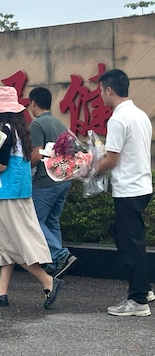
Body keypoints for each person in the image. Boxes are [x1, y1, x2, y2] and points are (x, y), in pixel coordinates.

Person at [0, 86, 63, 308]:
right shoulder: (21, 130)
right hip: (19, 190)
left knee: (12, 243)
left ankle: (48, 280)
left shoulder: (4, 132)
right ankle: (0, 291)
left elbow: (0, 165)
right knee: (4, 242)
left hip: (6, 192)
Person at [96, 69, 153, 317]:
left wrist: (90, 170)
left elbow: (112, 159)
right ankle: (145, 289)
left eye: (101, 90)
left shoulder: (118, 119)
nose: (100, 95)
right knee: (126, 238)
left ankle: (138, 301)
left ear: (109, 90)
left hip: (128, 189)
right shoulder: (140, 115)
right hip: (141, 187)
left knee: (131, 245)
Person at [28, 87, 77, 278]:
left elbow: (36, 154)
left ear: (33, 103)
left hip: (45, 181)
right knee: (52, 221)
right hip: (63, 179)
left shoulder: (37, 124)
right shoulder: (59, 124)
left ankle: (59, 255)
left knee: (34, 220)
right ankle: (56, 264)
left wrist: (23, 171)